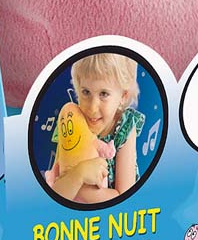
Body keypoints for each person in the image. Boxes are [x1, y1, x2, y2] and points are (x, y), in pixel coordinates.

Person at [49, 53, 145, 204]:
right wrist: (79, 174)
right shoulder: (71, 122)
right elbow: (54, 194)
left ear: (123, 96)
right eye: (86, 92)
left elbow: (125, 198)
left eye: (104, 94)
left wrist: (76, 185)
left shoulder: (124, 127)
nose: (92, 108)